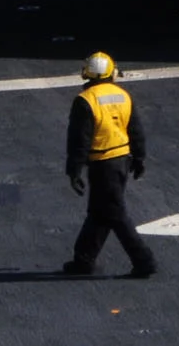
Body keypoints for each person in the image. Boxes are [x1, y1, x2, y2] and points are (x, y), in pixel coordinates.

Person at [62, 52, 156, 278]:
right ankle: (83, 260)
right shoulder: (123, 95)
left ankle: (144, 261)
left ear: (87, 74)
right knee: (99, 211)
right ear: (112, 72)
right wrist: (140, 158)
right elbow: (135, 130)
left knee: (115, 214)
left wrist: (74, 171)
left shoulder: (85, 100)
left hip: (102, 164)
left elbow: (79, 140)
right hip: (123, 160)